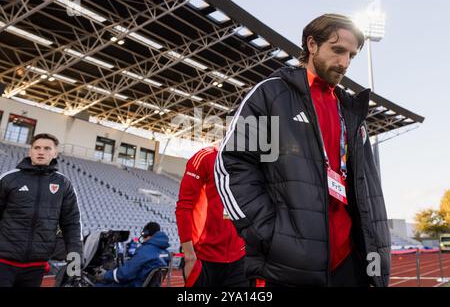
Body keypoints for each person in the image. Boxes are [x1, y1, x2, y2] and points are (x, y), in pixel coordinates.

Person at [214, 14, 391, 287]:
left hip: (351, 264)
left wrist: (375, 257)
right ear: (311, 44)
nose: (344, 63)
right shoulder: (270, 94)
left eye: (351, 56)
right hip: (292, 267)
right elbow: (233, 164)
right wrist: (272, 236)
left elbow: (369, 190)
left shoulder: (352, 112)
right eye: (337, 50)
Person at [0, 133, 82, 287]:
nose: (41, 152)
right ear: (30, 151)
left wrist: (75, 267)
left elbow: (72, 226)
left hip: (36, 267)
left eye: (47, 148)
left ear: (55, 153)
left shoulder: (63, 184)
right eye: (36, 147)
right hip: (3, 262)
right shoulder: (9, 179)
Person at [176, 146, 248, 287]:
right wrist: (190, 256)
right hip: (204, 258)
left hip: (239, 260)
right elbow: (184, 206)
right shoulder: (205, 157)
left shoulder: (249, 164)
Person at [95, 222, 170, 287]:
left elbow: (124, 274)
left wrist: (105, 275)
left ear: (146, 233)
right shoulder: (166, 253)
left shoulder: (145, 250)